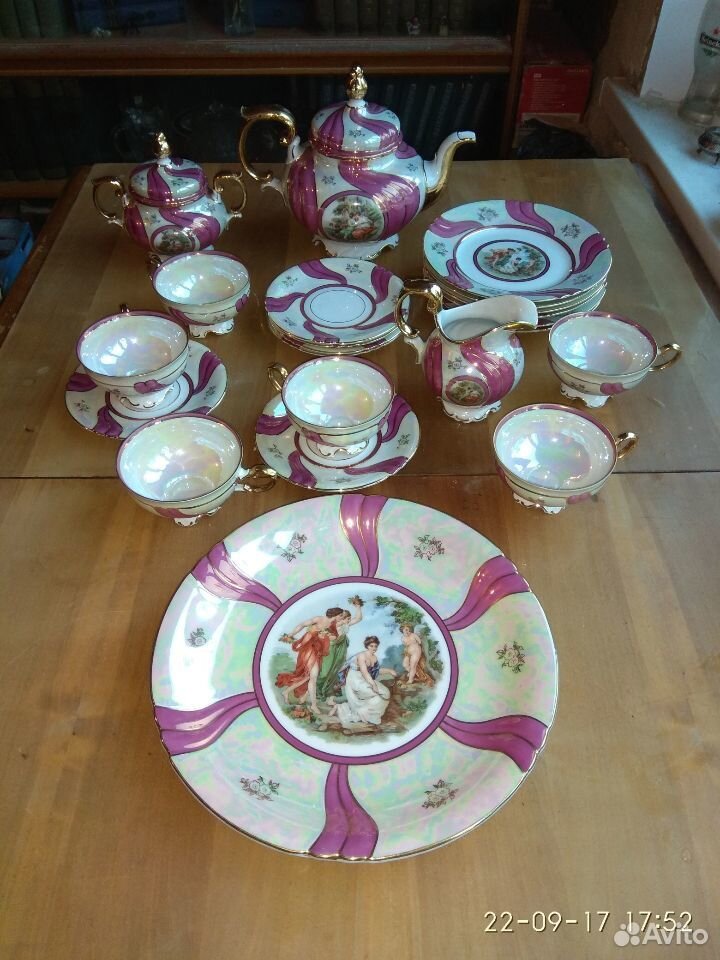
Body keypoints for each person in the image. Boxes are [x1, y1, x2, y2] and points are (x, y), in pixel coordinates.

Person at [275, 607, 351, 715]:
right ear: (336, 615)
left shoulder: (333, 625)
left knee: (309, 677)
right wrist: (291, 634)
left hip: (318, 651)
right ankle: (313, 705)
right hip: (308, 648)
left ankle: (286, 692)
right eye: (341, 616)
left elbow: (333, 638)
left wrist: (325, 636)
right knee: (312, 676)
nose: (341, 618)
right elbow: (302, 625)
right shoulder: (318, 619)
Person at [329, 637, 397, 728]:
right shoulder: (362, 656)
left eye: (375, 646)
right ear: (367, 646)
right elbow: (364, 672)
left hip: (364, 679)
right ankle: (343, 708)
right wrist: (373, 685)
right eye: (371, 646)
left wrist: (389, 671)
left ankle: (368, 714)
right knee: (376, 693)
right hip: (354, 680)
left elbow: (375, 672)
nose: (374, 648)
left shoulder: (374, 658)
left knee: (386, 693)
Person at [316, 597, 363, 700]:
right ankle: (318, 690)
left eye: (349, 619)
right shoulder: (333, 624)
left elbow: (358, 619)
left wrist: (358, 607)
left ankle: (330, 694)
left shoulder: (345, 624)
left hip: (341, 649)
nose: (349, 621)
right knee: (325, 671)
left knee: (335, 671)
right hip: (330, 649)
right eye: (347, 618)